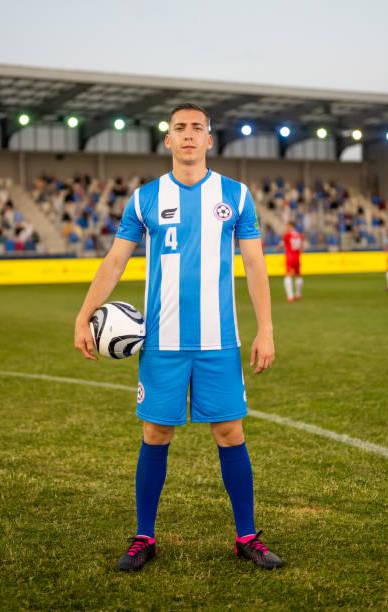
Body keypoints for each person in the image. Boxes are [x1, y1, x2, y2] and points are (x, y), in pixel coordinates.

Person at [74, 103, 282, 572]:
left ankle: (246, 536)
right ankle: (143, 538)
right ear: (167, 140)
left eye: (197, 129)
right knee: (155, 433)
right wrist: (82, 316)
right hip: (162, 343)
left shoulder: (236, 195)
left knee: (231, 433)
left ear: (210, 140)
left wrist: (265, 330)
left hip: (219, 341)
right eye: (179, 129)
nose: (188, 136)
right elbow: (114, 262)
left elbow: (253, 264)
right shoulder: (145, 197)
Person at [277, 221, 304, 302]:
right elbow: (302, 248)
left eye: (287, 226)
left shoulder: (287, 235)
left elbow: (281, 245)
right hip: (297, 257)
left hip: (289, 257)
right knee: (298, 275)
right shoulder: (299, 235)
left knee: (287, 275)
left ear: (290, 226)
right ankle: (298, 294)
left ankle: (290, 296)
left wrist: (277, 249)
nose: (286, 228)